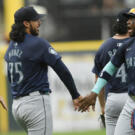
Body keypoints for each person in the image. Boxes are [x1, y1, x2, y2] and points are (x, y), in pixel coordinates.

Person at [79, 7, 135, 135]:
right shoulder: (127, 45)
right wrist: (94, 93)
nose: (128, 22)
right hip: (131, 102)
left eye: (132, 19)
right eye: (127, 19)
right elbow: (109, 69)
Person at [4, 6, 82, 135]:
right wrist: (75, 95)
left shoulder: (11, 46)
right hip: (35, 104)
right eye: (36, 20)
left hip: (17, 107)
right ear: (26, 23)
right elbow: (62, 70)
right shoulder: (38, 44)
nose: (39, 23)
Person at [92, 8, 130, 135]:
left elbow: (98, 80)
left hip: (112, 98)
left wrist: (103, 106)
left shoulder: (104, 47)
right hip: (133, 98)